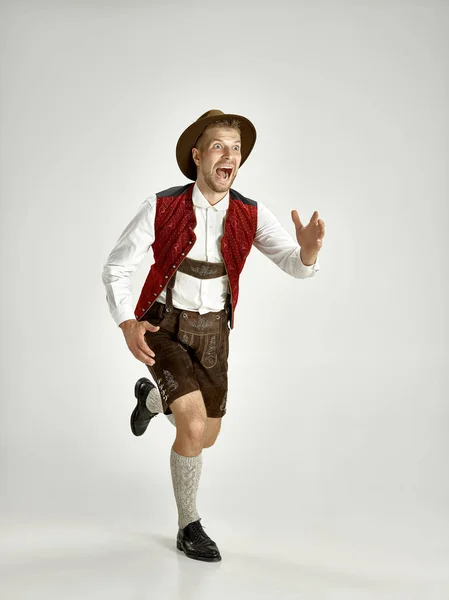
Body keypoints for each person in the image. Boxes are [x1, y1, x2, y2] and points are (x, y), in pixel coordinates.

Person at [101, 109, 325, 562]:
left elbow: (292, 264)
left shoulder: (250, 213)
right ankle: (189, 526)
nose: (230, 156)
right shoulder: (161, 206)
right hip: (162, 326)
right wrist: (127, 321)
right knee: (192, 424)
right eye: (220, 146)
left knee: (207, 437)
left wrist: (306, 252)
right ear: (198, 155)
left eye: (237, 148)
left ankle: (149, 398)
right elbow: (117, 267)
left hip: (213, 333)